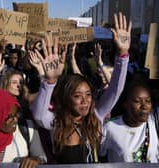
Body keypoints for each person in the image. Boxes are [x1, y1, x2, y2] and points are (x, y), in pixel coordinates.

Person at [31, 12, 132, 163]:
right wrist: (50, 81)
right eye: (78, 96)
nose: (85, 101)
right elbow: (39, 115)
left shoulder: (96, 117)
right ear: (66, 98)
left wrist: (122, 54)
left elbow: (115, 90)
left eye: (88, 95)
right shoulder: (56, 122)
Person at [100, 76, 159, 163]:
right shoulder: (110, 127)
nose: (144, 106)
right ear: (125, 104)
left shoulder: (154, 121)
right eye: (137, 101)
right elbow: (100, 157)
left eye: (148, 101)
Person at [0, 88, 47, 167]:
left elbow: (42, 158)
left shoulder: (27, 128)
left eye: (16, 114)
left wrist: (35, 160)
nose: (15, 119)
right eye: (9, 117)